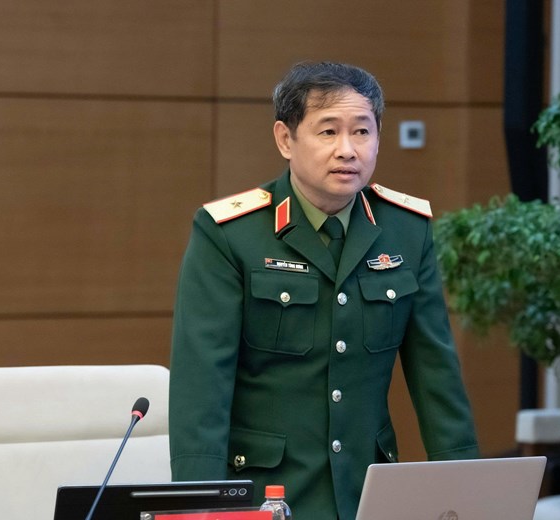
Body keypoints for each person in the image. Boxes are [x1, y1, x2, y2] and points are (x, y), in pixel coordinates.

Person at [169, 61, 479, 520]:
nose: (347, 150)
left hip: (368, 494)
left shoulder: (406, 231)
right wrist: (200, 510)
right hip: (267, 498)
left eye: (362, 132)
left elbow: (437, 377)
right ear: (285, 139)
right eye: (328, 132)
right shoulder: (231, 235)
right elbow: (201, 391)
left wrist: (467, 495)